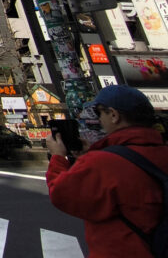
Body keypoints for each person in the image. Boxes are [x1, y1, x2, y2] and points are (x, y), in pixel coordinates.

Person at [46, 85, 168, 258]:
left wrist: (58, 157)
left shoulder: (102, 162)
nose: (99, 120)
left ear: (113, 115)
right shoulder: (161, 151)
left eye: (99, 113)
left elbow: (61, 193)